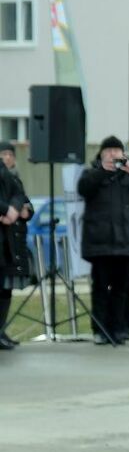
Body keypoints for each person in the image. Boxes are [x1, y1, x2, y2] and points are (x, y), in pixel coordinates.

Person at [78, 136, 129, 345]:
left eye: (116, 150)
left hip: (127, 243)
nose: (112, 154)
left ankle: (119, 327)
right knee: (100, 288)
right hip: (101, 243)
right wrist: (103, 170)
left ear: (123, 153)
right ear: (101, 154)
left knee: (122, 289)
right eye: (108, 150)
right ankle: (100, 329)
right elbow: (83, 188)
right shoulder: (92, 173)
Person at [0, 140, 33, 349]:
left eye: (10, 154)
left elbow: (21, 197)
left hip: (11, 242)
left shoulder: (12, 178)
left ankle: (1, 330)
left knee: (5, 290)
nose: (7, 157)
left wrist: (20, 210)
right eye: (3, 153)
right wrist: (7, 210)